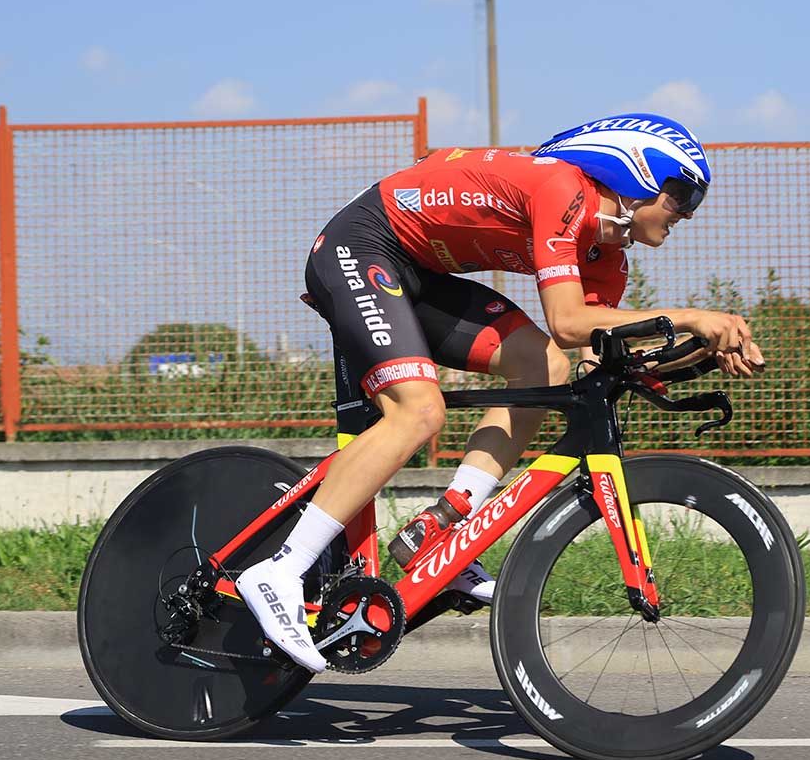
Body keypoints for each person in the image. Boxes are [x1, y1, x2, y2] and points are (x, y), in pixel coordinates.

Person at [236, 113, 766, 672]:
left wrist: (700, 350)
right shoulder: (561, 187)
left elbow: (595, 354)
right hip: (361, 246)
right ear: (635, 173)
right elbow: (567, 321)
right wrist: (692, 316)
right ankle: (280, 569)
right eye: (682, 195)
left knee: (543, 367)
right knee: (418, 412)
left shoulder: (607, 256)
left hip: (417, 275)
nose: (688, 212)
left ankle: (442, 528)